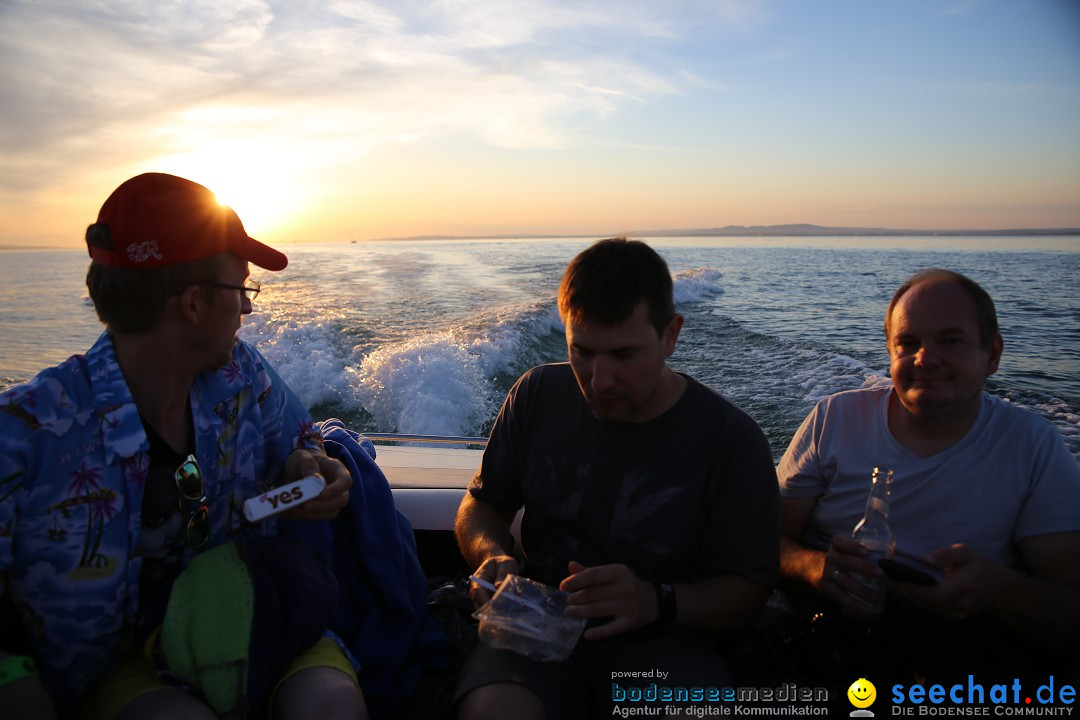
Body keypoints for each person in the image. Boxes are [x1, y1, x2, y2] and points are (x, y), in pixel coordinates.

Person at [0, 173, 366, 719]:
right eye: (242, 289)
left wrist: (308, 463)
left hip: (253, 613)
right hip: (119, 664)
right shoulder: (26, 434)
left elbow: (303, 440)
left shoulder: (244, 376)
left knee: (330, 703)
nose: (247, 310)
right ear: (193, 304)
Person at [453, 238, 780, 719]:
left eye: (624, 355)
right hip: (535, 621)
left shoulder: (731, 440)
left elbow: (748, 593)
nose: (599, 379)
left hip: (665, 645)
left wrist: (655, 601)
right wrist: (493, 555)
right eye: (581, 351)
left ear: (671, 335)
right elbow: (482, 505)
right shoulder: (537, 394)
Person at [776, 268, 1080, 685]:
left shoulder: (1032, 445)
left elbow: (1070, 604)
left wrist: (998, 591)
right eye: (908, 343)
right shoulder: (835, 418)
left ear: (992, 355)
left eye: (950, 341)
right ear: (889, 353)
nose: (925, 358)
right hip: (828, 633)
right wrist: (814, 568)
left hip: (963, 652)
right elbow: (764, 543)